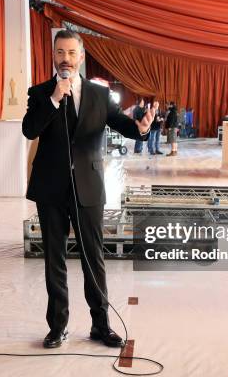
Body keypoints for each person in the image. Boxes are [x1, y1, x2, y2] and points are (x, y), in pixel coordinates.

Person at [22, 29, 152, 349]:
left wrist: (142, 129)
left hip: (88, 186)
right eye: (59, 53)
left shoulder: (98, 94)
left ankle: (101, 325)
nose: (65, 58)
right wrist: (54, 99)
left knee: (93, 258)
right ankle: (58, 327)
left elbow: (123, 124)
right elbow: (29, 130)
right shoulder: (40, 93)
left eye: (71, 53)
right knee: (55, 259)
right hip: (50, 187)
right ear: (54, 56)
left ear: (81, 57)